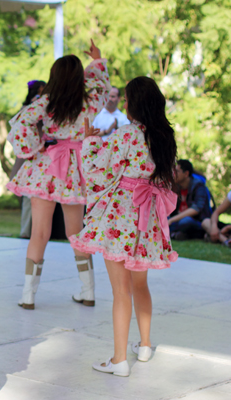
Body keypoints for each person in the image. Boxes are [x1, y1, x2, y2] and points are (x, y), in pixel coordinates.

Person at [70, 77, 178, 377]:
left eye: (127, 99)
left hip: (121, 216)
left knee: (120, 291)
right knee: (140, 285)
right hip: (148, 218)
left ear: (135, 104)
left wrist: (90, 140)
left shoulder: (128, 135)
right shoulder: (164, 137)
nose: (125, 105)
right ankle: (144, 345)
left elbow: (97, 167)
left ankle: (119, 360)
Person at [6, 40, 110, 310]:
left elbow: (20, 122)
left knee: (39, 232)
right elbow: (102, 86)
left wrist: (35, 145)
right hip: (76, 169)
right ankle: (88, 292)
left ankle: (28, 296)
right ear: (80, 78)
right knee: (77, 232)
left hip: (47, 167)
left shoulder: (46, 102)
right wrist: (97, 61)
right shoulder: (91, 101)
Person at [10, 80, 46, 238]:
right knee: (29, 196)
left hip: (40, 156)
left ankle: (36, 231)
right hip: (30, 157)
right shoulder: (29, 110)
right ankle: (26, 231)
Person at [168, 159, 211, 240]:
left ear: (186, 173)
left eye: (176, 171)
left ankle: (172, 233)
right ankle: (177, 234)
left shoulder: (198, 186)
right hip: (178, 220)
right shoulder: (176, 187)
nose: (173, 174)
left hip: (197, 221)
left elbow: (196, 209)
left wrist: (171, 220)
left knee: (186, 221)